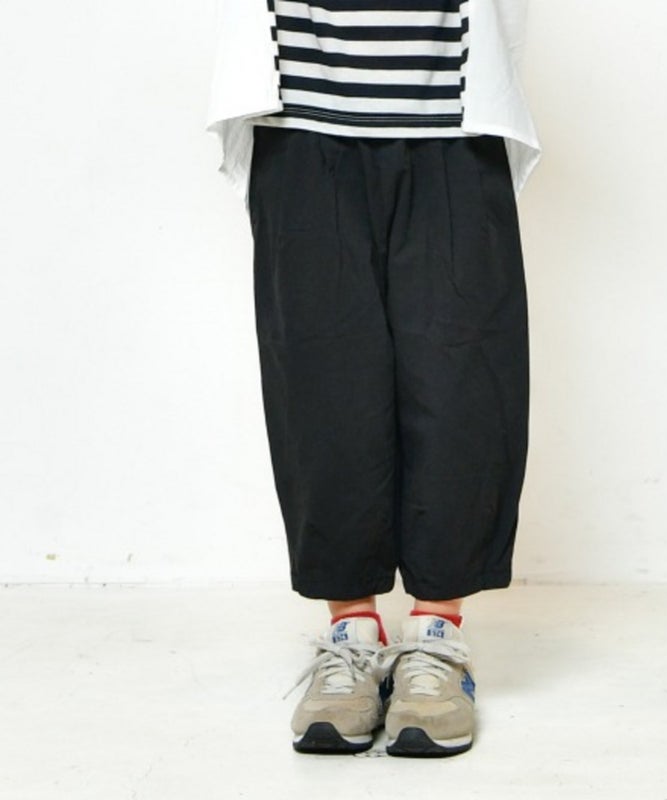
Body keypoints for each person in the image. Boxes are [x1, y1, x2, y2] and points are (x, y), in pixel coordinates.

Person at [206, 0, 542, 757]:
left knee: (463, 380)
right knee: (325, 386)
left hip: (454, 120)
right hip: (301, 118)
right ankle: (350, 635)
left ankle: (436, 640)